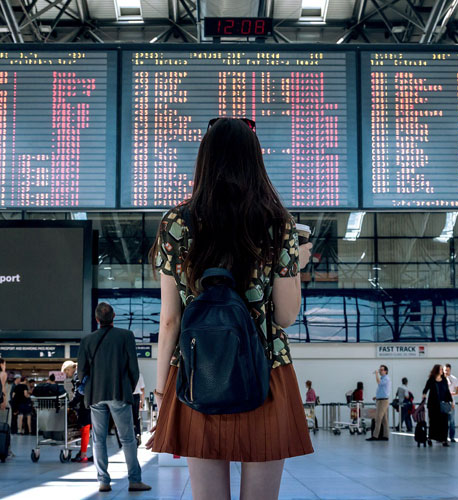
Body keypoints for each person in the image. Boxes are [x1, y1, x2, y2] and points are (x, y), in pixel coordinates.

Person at [147, 118, 314, 500]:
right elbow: (286, 316)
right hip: (266, 372)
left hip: (196, 372)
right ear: (254, 161)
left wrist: (161, 390)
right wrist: (294, 266)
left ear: (204, 160)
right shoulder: (278, 224)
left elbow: (170, 319)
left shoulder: (176, 222)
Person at [78, 302, 150, 493]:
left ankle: (103, 481)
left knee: (98, 439)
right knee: (127, 439)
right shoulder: (126, 336)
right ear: (114, 316)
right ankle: (134, 480)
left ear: (96, 319)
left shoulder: (87, 340)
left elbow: (81, 372)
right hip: (119, 392)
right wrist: (128, 387)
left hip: (95, 395)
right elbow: (134, 368)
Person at [61, 360, 91, 463]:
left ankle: (83, 455)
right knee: (87, 429)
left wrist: (71, 404)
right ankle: (84, 453)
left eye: (66, 372)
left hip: (85, 405)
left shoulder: (78, 374)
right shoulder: (83, 371)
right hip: (90, 403)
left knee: (85, 428)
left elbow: (80, 392)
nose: (66, 375)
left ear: (69, 369)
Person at [422, 364, 453, 447]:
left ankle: (444, 440)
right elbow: (425, 389)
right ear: (436, 370)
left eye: (442, 369)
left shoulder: (444, 380)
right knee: (433, 422)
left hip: (443, 404)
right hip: (433, 405)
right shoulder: (431, 379)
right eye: (440, 369)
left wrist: (451, 401)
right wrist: (424, 394)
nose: (442, 371)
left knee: (444, 422)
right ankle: (431, 437)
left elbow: (447, 391)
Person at [367, 365, 391, 441]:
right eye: (379, 370)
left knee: (378, 418)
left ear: (386, 371)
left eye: (382, 370)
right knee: (384, 420)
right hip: (380, 399)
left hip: (383, 401)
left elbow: (379, 383)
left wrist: (376, 374)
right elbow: (383, 390)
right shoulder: (383, 378)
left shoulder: (386, 378)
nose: (380, 371)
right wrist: (376, 397)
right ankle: (385, 436)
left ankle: (375, 436)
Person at [445, 364, 458, 443]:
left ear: (450, 370)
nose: (446, 372)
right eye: (445, 370)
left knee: (452, 421)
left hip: (451, 402)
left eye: (447, 370)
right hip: (442, 402)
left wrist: (451, 394)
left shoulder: (454, 379)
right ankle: (442, 437)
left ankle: (452, 437)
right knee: (442, 421)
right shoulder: (440, 379)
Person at [132, 373, 145, 446]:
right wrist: (142, 402)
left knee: (128, 418)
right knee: (136, 417)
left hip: (126, 397)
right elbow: (142, 389)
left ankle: (131, 437)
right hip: (136, 397)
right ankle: (137, 435)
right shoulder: (138, 373)